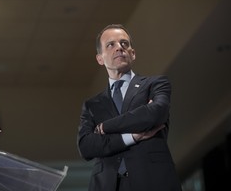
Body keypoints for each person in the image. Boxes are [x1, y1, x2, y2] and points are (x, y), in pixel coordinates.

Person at [77, 24, 182, 191]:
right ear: (100, 58)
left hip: (153, 182)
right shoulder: (92, 104)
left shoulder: (155, 84)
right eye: (111, 45)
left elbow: (155, 114)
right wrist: (132, 136)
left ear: (132, 54)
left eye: (124, 43)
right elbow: (86, 147)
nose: (119, 48)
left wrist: (105, 126)